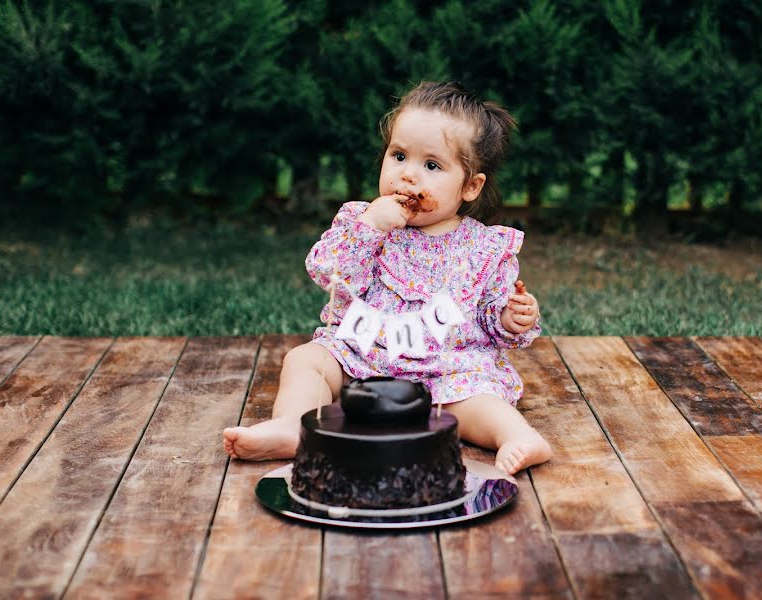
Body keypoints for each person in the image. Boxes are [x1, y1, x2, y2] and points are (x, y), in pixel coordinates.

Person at [223, 81, 551, 474]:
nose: (408, 176)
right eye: (398, 156)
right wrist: (369, 228)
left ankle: (517, 436)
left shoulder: (484, 247)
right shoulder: (363, 222)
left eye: (431, 165)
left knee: (478, 399)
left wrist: (509, 317)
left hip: (448, 367)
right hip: (363, 355)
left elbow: (489, 314)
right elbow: (328, 273)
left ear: (469, 186)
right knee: (306, 360)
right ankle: (295, 427)